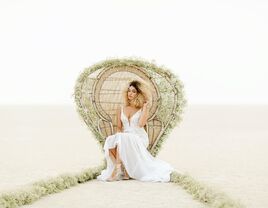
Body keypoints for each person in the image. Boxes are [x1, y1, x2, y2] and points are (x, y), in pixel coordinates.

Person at [96, 79, 175, 182]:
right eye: (129, 91)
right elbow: (119, 127)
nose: (130, 93)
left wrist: (145, 108)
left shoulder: (142, 108)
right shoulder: (121, 108)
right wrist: (118, 138)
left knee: (122, 138)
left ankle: (118, 170)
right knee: (110, 142)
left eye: (134, 91)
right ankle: (125, 171)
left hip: (139, 137)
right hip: (125, 137)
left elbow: (141, 124)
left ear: (139, 94)